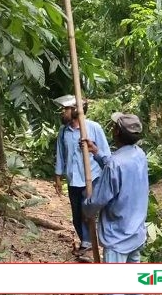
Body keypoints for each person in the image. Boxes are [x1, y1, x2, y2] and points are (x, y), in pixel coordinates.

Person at [82, 112, 149, 265]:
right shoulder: (140, 155)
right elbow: (118, 169)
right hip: (136, 233)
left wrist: (86, 209)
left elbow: (98, 199)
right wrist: (97, 152)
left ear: (117, 132)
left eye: (114, 127)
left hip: (118, 237)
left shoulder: (115, 164)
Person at [53, 94, 111, 255]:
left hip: (92, 177)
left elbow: (105, 153)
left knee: (88, 213)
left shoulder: (93, 128)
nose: (63, 113)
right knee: (76, 215)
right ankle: (85, 241)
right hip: (73, 179)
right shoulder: (63, 131)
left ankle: (88, 244)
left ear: (76, 111)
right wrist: (58, 177)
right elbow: (60, 154)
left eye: (66, 109)